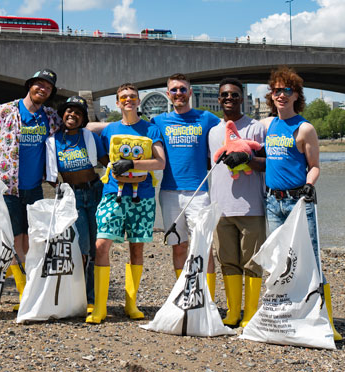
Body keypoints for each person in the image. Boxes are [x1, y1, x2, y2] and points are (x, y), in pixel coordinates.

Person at [258, 66, 341, 340]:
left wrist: (309, 184)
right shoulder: (269, 125)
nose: (280, 95)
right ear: (271, 95)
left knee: (312, 261)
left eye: (286, 90)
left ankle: (326, 322)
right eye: (276, 90)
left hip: (298, 202)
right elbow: (263, 156)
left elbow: (315, 166)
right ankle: (286, 318)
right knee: (279, 262)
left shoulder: (305, 129)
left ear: (296, 95)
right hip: (272, 202)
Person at [0, 69, 60, 309]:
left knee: (29, 240)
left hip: (34, 188)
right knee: (10, 241)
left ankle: (28, 288)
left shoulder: (50, 116)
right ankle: (24, 291)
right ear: (30, 85)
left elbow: (76, 129)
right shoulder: (6, 110)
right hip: (5, 187)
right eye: (39, 84)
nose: (43, 89)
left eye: (48, 87)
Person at [86, 83, 165, 324]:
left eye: (132, 97)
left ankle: (131, 303)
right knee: (101, 244)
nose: (128, 100)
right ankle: (99, 306)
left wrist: (133, 164)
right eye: (123, 97)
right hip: (112, 194)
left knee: (137, 247)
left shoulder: (151, 130)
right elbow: (86, 127)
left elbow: (160, 163)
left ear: (138, 102)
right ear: (118, 103)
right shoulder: (109, 130)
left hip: (143, 196)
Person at [151, 73, 221, 298]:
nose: (179, 93)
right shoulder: (158, 122)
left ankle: (207, 300)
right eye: (174, 90)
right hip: (170, 193)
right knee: (179, 246)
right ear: (168, 94)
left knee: (205, 247)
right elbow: (130, 129)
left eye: (183, 89)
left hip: (199, 193)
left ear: (190, 92)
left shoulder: (207, 118)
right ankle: (184, 295)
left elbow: (230, 132)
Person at [207, 78, 266, 327]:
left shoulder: (256, 128)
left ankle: (250, 314)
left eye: (234, 95)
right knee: (227, 261)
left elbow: (269, 164)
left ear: (242, 98)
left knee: (252, 263)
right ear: (219, 99)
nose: (229, 99)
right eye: (224, 95)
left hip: (251, 207)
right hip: (221, 209)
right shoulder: (212, 132)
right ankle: (233, 312)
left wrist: (247, 159)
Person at [45, 96, 109, 310]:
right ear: (62, 115)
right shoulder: (53, 141)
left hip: (95, 192)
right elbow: (51, 177)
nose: (72, 115)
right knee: (80, 247)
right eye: (69, 111)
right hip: (73, 197)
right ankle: (77, 295)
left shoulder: (90, 137)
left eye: (78, 113)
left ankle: (92, 299)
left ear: (83, 119)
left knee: (96, 247)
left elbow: (107, 162)